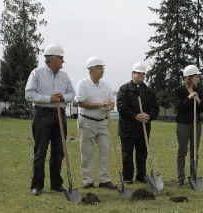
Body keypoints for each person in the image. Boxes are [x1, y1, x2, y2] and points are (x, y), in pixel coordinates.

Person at [25, 43, 75, 196]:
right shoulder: (37, 73)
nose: (63, 61)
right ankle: (37, 186)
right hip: (42, 114)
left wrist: (63, 97)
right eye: (61, 58)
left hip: (59, 114)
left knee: (59, 151)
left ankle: (56, 184)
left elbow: (72, 94)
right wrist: (49, 99)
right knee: (40, 151)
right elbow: (29, 94)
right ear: (52, 59)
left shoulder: (64, 75)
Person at [76, 56, 117, 190]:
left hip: (103, 122)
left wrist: (110, 106)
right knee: (87, 151)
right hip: (87, 121)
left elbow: (112, 102)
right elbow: (81, 102)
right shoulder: (82, 84)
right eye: (100, 68)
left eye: (102, 68)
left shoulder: (106, 86)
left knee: (105, 150)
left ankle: (104, 180)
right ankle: (88, 180)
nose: (102, 71)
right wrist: (100, 104)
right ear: (91, 70)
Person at [117, 62, 159, 184]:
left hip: (143, 129)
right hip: (127, 129)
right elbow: (121, 107)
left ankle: (141, 176)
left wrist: (148, 116)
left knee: (142, 154)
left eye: (142, 74)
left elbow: (155, 108)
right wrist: (135, 116)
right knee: (127, 154)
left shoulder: (149, 91)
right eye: (137, 73)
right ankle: (127, 177)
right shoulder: (124, 89)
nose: (140, 75)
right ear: (132, 74)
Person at [174, 65, 203, 186]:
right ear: (189, 77)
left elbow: (201, 109)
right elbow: (179, 107)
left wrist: (198, 100)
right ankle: (180, 178)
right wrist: (189, 98)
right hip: (183, 124)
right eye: (196, 77)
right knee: (182, 151)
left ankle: (193, 176)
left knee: (194, 151)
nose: (198, 79)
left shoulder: (199, 90)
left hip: (196, 124)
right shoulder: (179, 91)